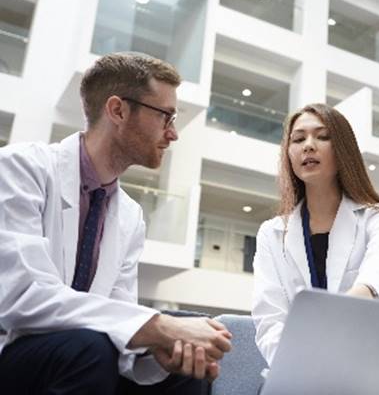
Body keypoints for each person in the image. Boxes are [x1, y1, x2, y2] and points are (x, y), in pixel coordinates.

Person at [0, 52, 232, 394]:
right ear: (118, 110)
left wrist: (156, 355)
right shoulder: (20, 168)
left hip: (84, 353)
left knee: (184, 366)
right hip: (15, 351)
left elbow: (118, 315)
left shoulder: (130, 215)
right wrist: (157, 325)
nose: (173, 134)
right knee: (90, 349)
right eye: (166, 116)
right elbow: (24, 297)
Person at [251, 103, 379, 394]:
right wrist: (305, 365)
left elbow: (377, 280)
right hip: (301, 376)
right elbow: (270, 320)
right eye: (298, 139)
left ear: (343, 150)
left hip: (372, 373)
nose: (308, 146)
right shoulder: (272, 233)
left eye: (322, 137)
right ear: (289, 154)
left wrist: (337, 317)